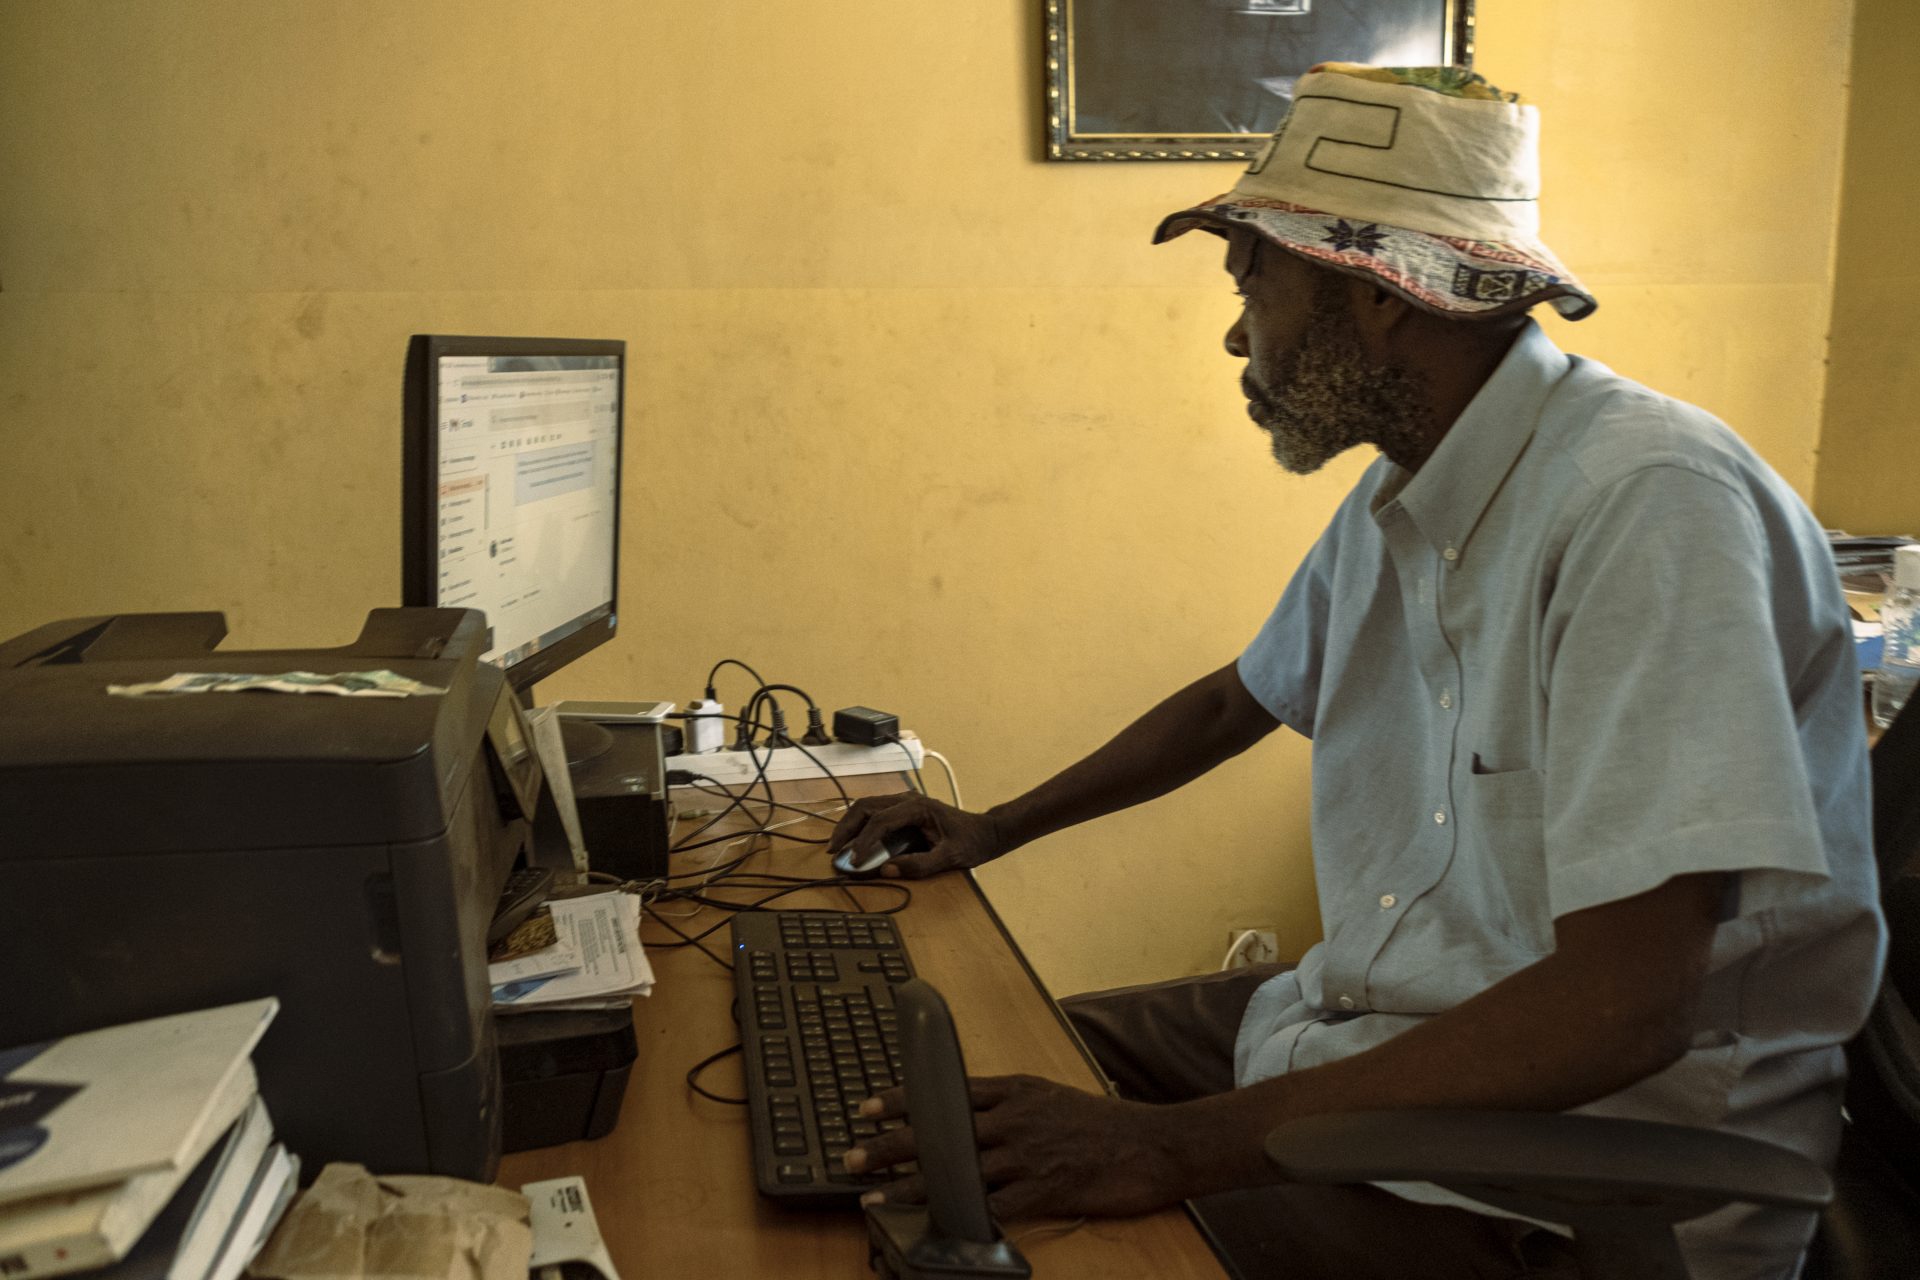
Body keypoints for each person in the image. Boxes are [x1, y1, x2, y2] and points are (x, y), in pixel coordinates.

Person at [827, 63, 1886, 1279]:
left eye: (1253, 282)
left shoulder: (1646, 507)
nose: (1238, 330)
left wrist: (1168, 1150)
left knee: (1044, 1231)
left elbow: (1621, 1005)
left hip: (1569, 1173)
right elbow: (1239, 698)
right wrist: (994, 825)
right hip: (1380, 1035)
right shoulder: (1413, 485)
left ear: (1378, 292)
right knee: (996, 1069)